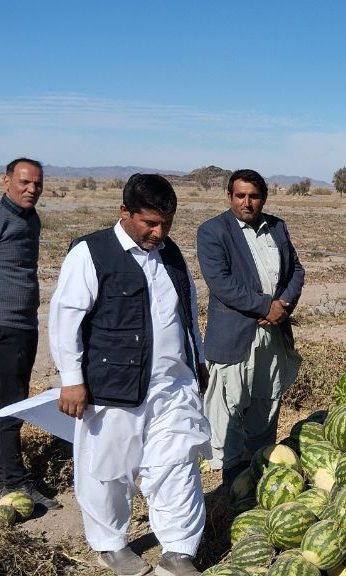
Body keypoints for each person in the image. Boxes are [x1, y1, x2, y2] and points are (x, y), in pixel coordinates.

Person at [49, 174, 209, 576]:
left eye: (166, 224)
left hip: (172, 386)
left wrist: (198, 359)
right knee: (108, 471)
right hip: (113, 387)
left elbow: (186, 312)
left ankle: (177, 550)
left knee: (177, 464)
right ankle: (109, 545)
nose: (159, 233)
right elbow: (66, 317)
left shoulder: (170, 254)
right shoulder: (91, 252)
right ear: (125, 212)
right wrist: (71, 378)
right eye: (150, 224)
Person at [197, 169, 305, 486]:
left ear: (264, 198)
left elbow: (296, 270)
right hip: (235, 335)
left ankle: (258, 466)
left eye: (254, 196)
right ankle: (230, 476)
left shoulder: (277, 227)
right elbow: (221, 282)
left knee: (266, 401)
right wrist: (263, 306)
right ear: (230, 196)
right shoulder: (213, 231)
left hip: (273, 331)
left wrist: (282, 305)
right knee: (227, 406)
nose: (247, 202)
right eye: (240, 195)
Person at [0, 158, 59, 511]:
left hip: (22, 326)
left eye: (37, 184)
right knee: (10, 407)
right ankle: (13, 482)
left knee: (12, 404)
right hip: (5, 326)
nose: (31, 189)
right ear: (5, 180)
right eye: (24, 182)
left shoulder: (31, 219)